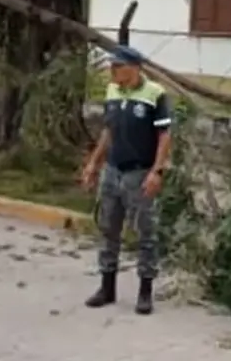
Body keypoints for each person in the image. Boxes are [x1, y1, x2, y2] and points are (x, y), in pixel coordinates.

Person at [80, 45, 172, 315]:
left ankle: (145, 292)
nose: (112, 71)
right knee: (109, 229)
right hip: (113, 170)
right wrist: (93, 164)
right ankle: (107, 287)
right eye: (112, 66)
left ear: (134, 68)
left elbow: (165, 136)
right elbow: (108, 130)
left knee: (145, 232)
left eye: (117, 67)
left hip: (140, 173)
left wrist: (157, 171)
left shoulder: (155, 94)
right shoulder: (112, 91)